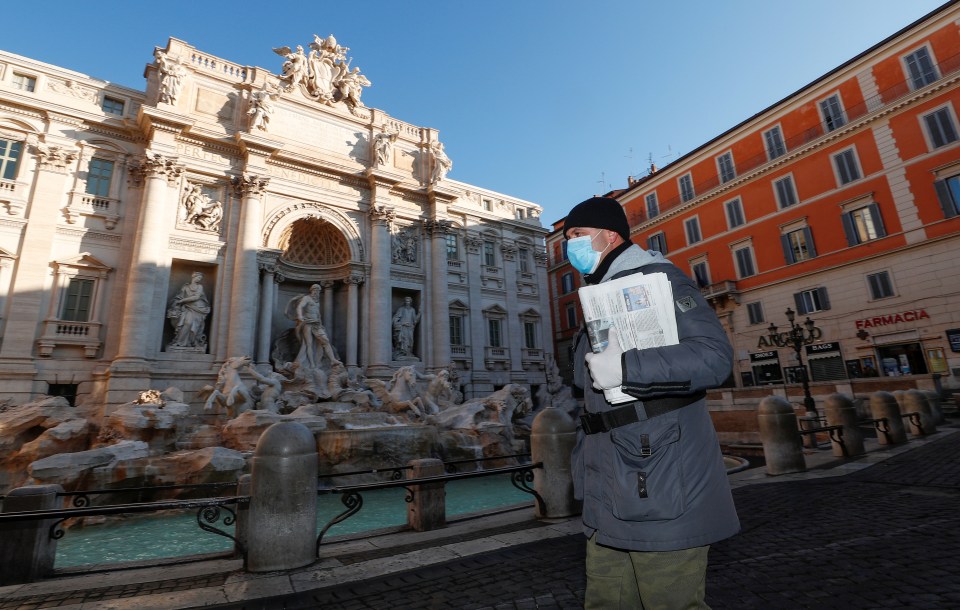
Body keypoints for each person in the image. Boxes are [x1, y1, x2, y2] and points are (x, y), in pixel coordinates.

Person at [563, 196, 739, 609]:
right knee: (606, 601)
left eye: (578, 236)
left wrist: (626, 367)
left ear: (609, 236)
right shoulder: (598, 293)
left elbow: (714, 358)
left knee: (670, 601)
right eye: (567, 239)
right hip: (609, 480)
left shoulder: (662, 279)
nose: (571, 247)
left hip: (659, 477)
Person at [294, 284, 339, 369]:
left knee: (325, 340)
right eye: (315, 290)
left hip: (317, 324)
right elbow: (300, 306)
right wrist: (300, 316)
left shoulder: (317, 302)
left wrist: (321, 324)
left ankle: (333, 359)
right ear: (311, 290)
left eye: (318, 291)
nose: (316, 292)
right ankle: (312, 364)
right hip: (307, 323)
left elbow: (318, 314)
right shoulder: (306, 298)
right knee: (309, 344)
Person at [168, 271, 211, 348]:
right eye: (198, 277)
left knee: (193, 325)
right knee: (187, 323)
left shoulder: (200, 287)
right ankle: (180, 342)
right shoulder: (185, 287)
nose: (199, 279)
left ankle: (191, 342)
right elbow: (179, 297)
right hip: (187, 307)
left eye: (200, 278)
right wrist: (177, 302)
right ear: (193, 277)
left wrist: (182, 301)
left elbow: (196, 297)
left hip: (198, 308)